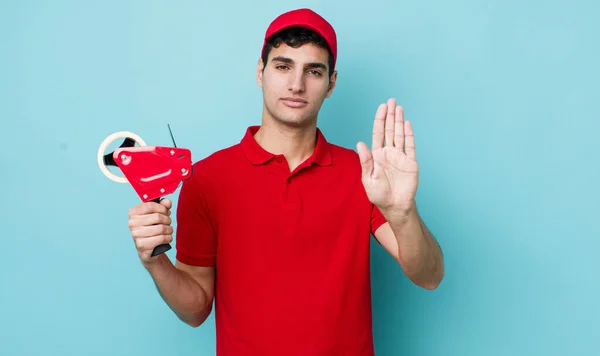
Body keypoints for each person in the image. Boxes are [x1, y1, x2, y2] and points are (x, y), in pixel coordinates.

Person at [126, 7, 444, 356]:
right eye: (283, 66)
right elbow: (195, 309)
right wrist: (154, 262)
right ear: (260, 72)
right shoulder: (206, 179)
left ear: (331, 84)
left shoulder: (363, 174)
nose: (296, 84)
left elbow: (428, 275)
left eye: (313, 71)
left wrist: (402, 213)